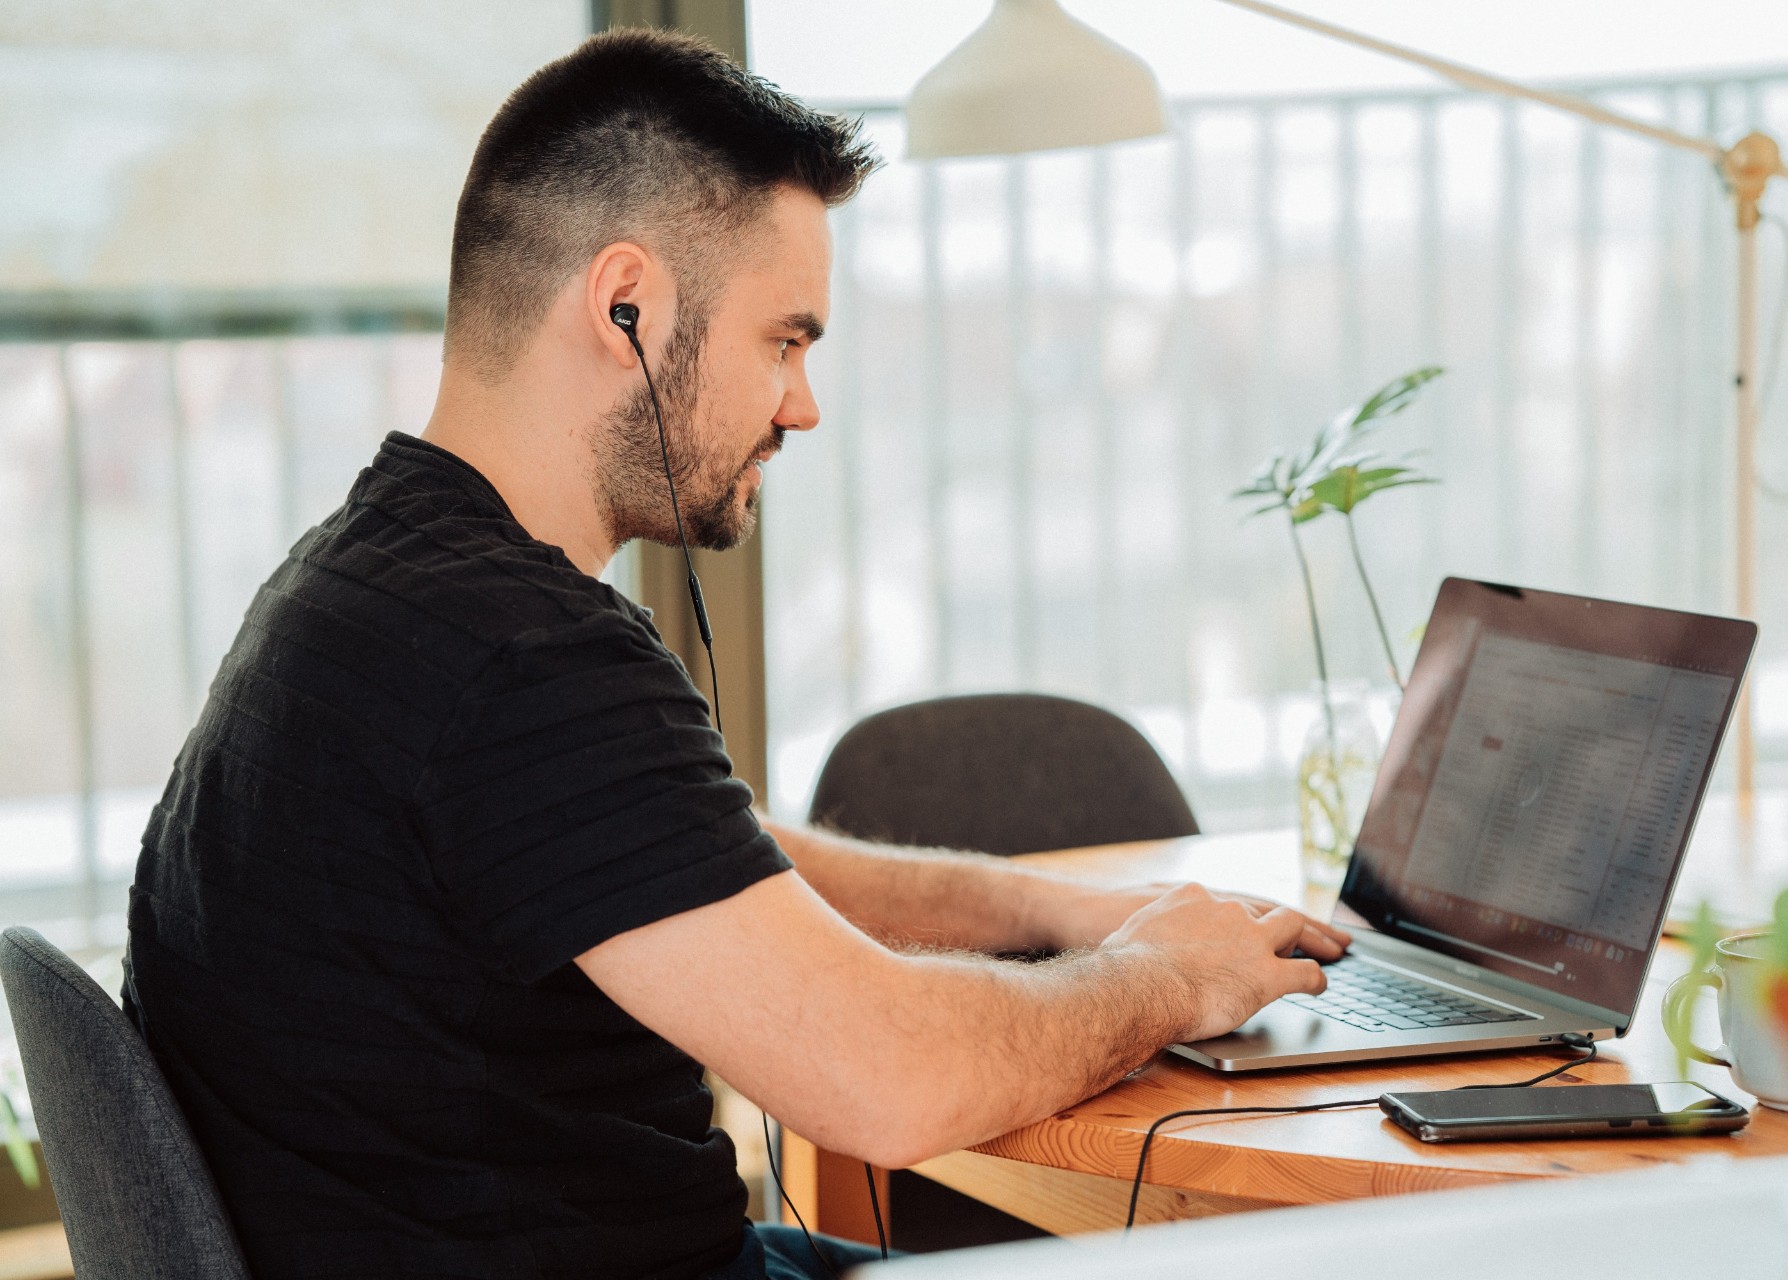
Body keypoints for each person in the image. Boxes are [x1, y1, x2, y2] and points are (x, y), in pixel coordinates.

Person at [123, 27, 1348, 1280]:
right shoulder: (520, 657)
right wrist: (1157, 974)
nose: (803, 402)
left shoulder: (371, 577)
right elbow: (892, 1078)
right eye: (786, 339)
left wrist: (1053, 909)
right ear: (627, 307)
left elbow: (708, 859)